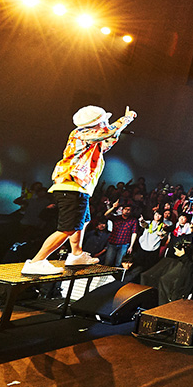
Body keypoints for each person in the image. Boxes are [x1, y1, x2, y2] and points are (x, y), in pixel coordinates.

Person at [22, 105, 136, 275]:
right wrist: (125, 120)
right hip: (71, 187)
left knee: (81, 222)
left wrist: (117, 130)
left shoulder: (91, 139)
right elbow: (105, 134)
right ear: (97, 122)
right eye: (104, 120)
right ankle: (37, 261)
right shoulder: (81, 133)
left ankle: (76, 254)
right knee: (67, 228)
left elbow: (107, 142)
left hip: (78, 188)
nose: (106, 123)